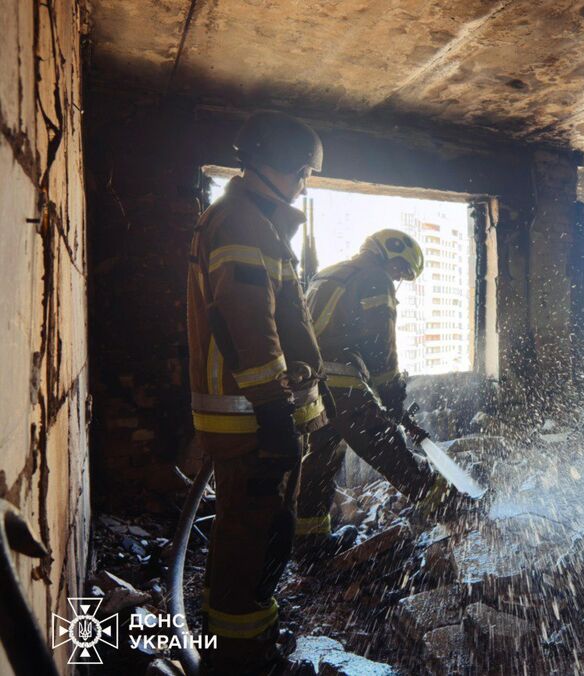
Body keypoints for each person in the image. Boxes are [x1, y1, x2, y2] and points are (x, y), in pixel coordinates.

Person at [186, 111, 326, 673]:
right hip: (250, 418)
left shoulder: (253, 221)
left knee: (262, 528)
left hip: (260, 414)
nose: (302, 183)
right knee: (252, 533)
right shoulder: (242, 222)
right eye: (301, 173)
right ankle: (239, 653)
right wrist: (273, 414)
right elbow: (248, 322)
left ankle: (252, 627)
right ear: (282, 167)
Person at [295, 229, 456, 556]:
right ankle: (453, 510)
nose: (396, 278)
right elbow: (380, 345)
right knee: (388, 450)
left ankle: (309, 540)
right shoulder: (374, 278)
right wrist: (392, 394)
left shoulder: (330, 273)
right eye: (399, 271)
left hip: (313, 387)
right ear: (389, 255)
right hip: (342, 385)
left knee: (322, 459)